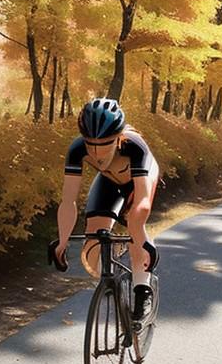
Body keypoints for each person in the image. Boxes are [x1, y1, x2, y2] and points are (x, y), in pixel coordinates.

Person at [48, 98, 160, 321]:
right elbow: (68, 201)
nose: (97, 154)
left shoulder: (134, 147)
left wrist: (144, 241)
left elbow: (142, 203)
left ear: (118, 138)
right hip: (109, 181)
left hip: (140, 181)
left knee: (135, 230)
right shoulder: (77, 149)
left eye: (105, 144)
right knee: (93, 236)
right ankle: (113, 278)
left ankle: (141, 288)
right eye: (91, 145)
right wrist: (62, 242)